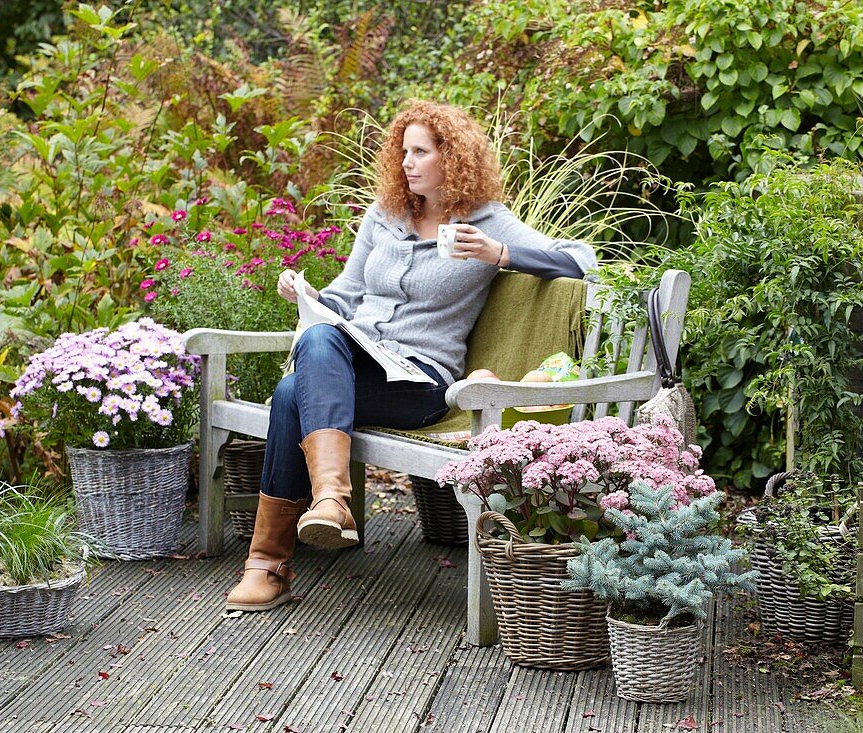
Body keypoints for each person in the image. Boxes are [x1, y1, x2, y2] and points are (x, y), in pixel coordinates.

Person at [225, 100, 597, 612]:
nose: (407, 162)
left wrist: (496, 254)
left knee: (294, 389)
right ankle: (328, 502)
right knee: (301, 371)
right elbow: (345, 294)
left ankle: (270, 562)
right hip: (356, 359)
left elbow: (581, 260)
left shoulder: (486, 222)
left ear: (453, 158)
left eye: (420, 152)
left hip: (421, 382)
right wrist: (305, 295)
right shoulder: (384, 217)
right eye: (404, 152)